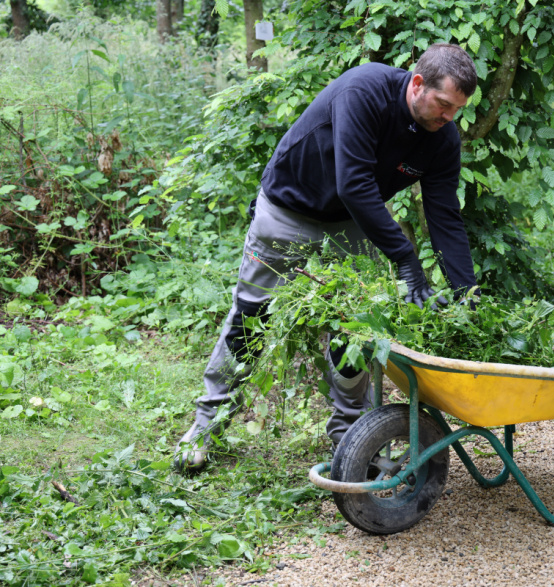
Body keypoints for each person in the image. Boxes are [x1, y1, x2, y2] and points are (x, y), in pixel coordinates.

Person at [173, 43, 479, 472]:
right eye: (444, 104)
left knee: (356, 324)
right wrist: (406, 260)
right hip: (287, 209)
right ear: (416, 84)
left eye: (457, 109)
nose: (449, 118)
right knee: (251, 317)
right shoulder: (364, 90)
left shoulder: (441, 139)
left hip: (351, 221)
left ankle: (352, 437)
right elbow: (353, 182)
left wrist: (466, 292)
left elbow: (445, 216)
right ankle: (205, 427)